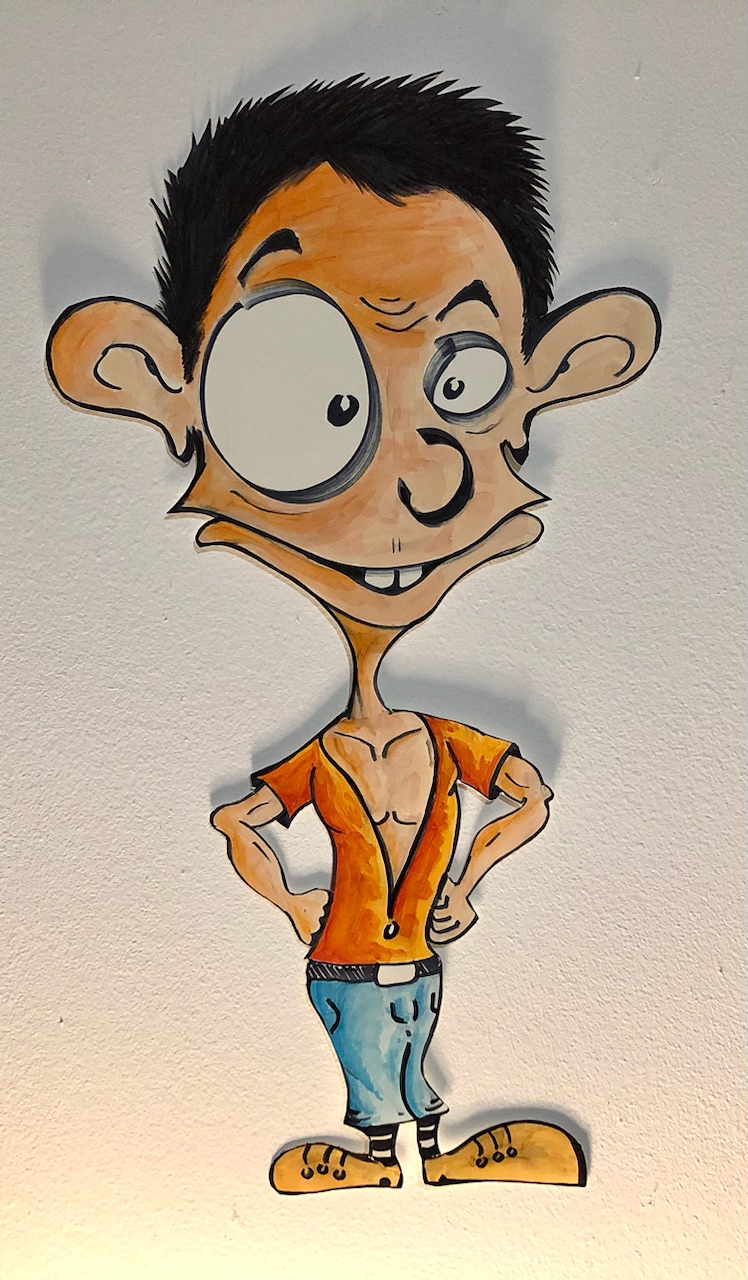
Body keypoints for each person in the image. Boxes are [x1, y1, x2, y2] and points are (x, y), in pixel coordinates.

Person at [46, 75, 660, 1193]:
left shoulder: (443, 744)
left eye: (462, 378)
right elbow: (242, 819)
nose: (414, 480)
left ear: (556, 373)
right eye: (305, 392)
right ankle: (379, 1151)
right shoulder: (328, 760)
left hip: (411, 951)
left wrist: (469, 871)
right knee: (376, 1054)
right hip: (343, 959)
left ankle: (430, 1147)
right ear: (158, 384)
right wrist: (291, 898)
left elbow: (528, 796)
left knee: (411, 1040)